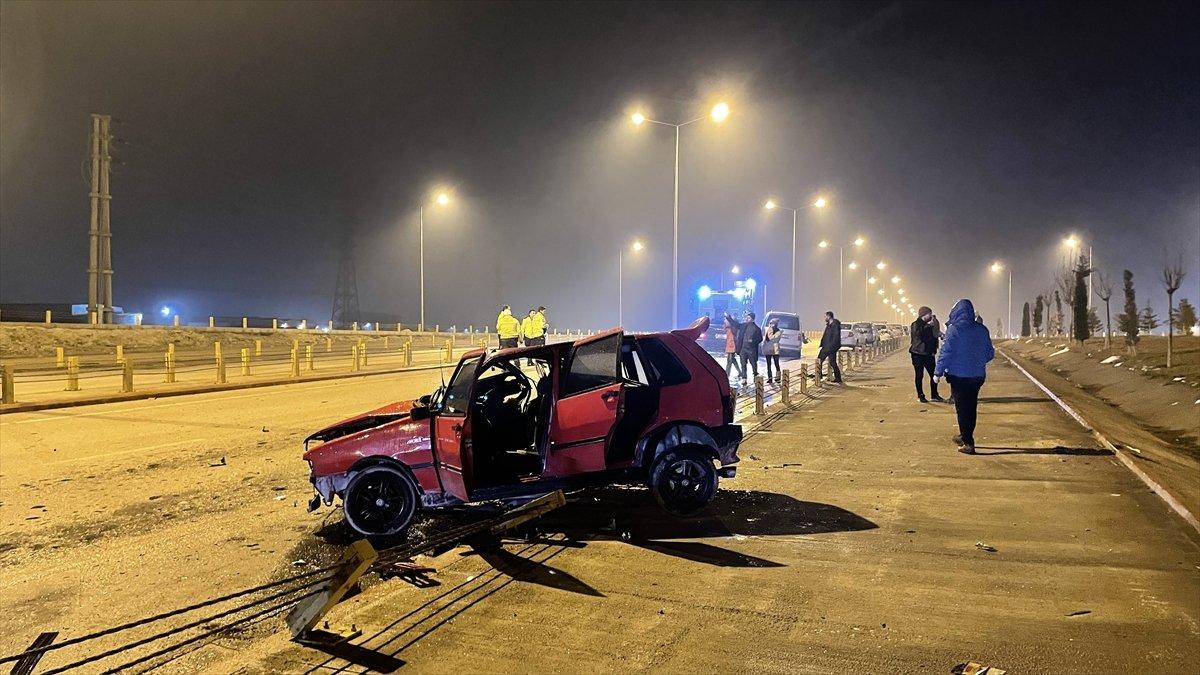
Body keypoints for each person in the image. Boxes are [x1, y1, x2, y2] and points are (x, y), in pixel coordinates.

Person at [934, 298, 995, 454]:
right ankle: (965, 435)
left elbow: (946, 353)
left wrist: (937, 372)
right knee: (971, 407)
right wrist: (977, 362)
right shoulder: (982, 329)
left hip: (959, 376)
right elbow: (989, 353)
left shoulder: (954, 329)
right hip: (977, 376)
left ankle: (968, 442)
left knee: (962, 409)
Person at [909, 306, 943, 403]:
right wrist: (930, 325)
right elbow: (919, 334)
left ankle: (934, 395)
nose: (931, 316)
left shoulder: (929, 325)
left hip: (929, 354)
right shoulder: (915, 324)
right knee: (919, 375)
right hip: (918, 354)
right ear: (924, 314)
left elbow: (935, 334)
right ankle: (921, 395)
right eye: (929, 314)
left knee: (934, 375)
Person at [736, 312, 763, 385]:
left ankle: (755, 376)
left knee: (753, 364)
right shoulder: (744, 325)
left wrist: (753, 341)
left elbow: (760, 339)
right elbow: (736, 325)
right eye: (746, 317)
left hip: (751, 350)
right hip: (743, 349)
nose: (746, 319)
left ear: (752, 318)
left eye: (748, 318)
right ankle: (744, 378)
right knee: (743, 364)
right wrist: (728, 318)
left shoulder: (757, 328)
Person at [817, 310, 843, 384]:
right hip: (828, 346)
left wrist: (831, 346)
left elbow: (835, 337)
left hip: (829, 347)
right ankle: (838, 378)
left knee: (819, 360)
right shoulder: (829, 325)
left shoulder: (834, 325)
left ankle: (818, 376)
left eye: (825, 316)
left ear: (829, 316)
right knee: (832, 363)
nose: (824, 318)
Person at [722, 314, 743, 380]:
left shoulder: (734, 328)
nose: (725, 322)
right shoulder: (728, 328)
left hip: (733, 345)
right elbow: (724, 330)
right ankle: (740, 372)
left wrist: (728, 322)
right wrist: (725, 324)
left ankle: (727, 374)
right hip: (729, 344)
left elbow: (734, 335)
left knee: (729, 360)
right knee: (732, 360)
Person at [763, 317, 783, 384]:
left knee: (776, 364)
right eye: (770, 323)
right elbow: (766, 339)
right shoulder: (769, 330)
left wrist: (770, 330)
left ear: (775, 324)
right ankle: (770, 378)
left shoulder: (778, 331)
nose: (770, 325)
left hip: (775, 349)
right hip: (768, 349)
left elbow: (772, 338)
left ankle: (778, 378)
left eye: (772, 323)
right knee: (768, 365)